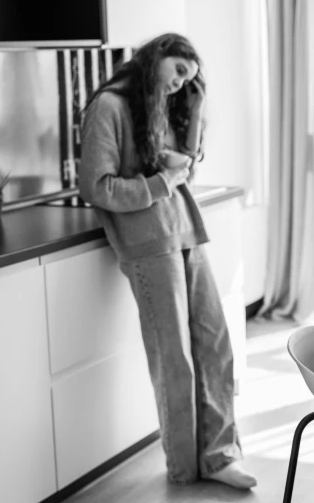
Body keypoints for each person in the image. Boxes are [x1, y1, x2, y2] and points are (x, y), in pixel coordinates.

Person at [78, 32, 256, 490]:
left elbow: (186, 165)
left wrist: (194, 110)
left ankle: (219, 458)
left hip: (186, 234)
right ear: (157, 57)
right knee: (175, 361)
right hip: (148, 244)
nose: (179, 84)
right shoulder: (110, 107)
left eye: (188, 80)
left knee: (216, 347)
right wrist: (161, 183)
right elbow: (98, 187)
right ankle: (184, 469)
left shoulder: (155, 107)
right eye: (178, 72)